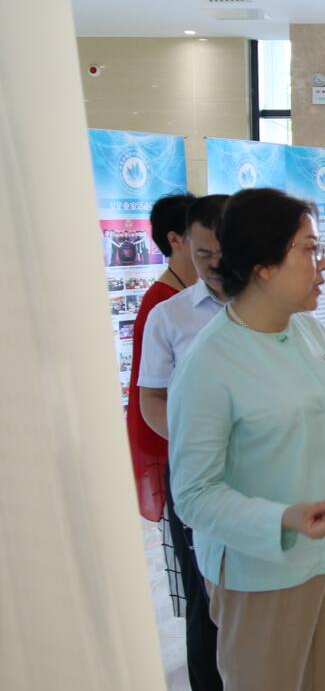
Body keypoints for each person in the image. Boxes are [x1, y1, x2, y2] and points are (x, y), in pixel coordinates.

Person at [169, 188, 325, 691]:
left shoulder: (308, 330)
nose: (323, 264)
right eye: (309, 249)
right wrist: (280, 519)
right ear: (262, 265)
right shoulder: (210, 362)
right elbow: (194, 493)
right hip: (261, 575)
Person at [138, 194, 229, 691]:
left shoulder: (279, 314)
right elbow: (150, 398)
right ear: (185, 246)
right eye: (203, 254)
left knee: (271, 595)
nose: (215, 265)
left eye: (224, 252)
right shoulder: (169, 316)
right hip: (197, 478)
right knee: (204, 599)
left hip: (269, 480)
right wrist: (196, 444)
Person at [127, 192, 196, 525]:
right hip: (178, 438)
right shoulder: (160, 303)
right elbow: (152, 391)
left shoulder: (195, 294)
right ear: (175, 240)